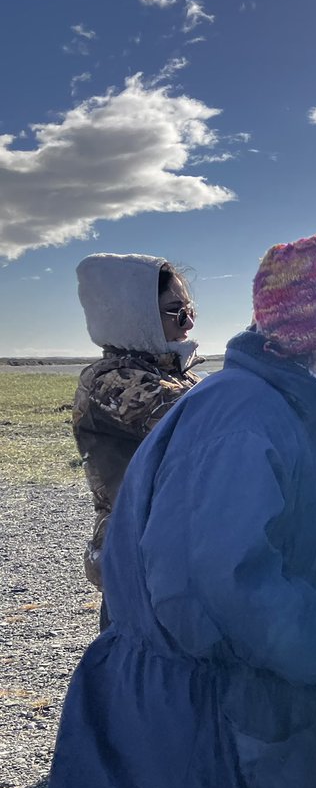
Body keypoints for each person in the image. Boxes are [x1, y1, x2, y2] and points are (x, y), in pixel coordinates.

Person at [40, 234, 316, 788]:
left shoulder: (270, 404)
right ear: (312, 335)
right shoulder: (243, 416)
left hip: (223, 703)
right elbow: (220, 581)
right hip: (203, 725)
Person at [71, 254, 202, 629]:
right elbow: (202, 423)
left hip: (170, 554)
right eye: (175, 311)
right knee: (140, 675)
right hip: (139, 558)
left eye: (189, 309)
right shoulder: (113, 380)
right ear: (134, 316)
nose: (189, 322)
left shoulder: (173, 375)